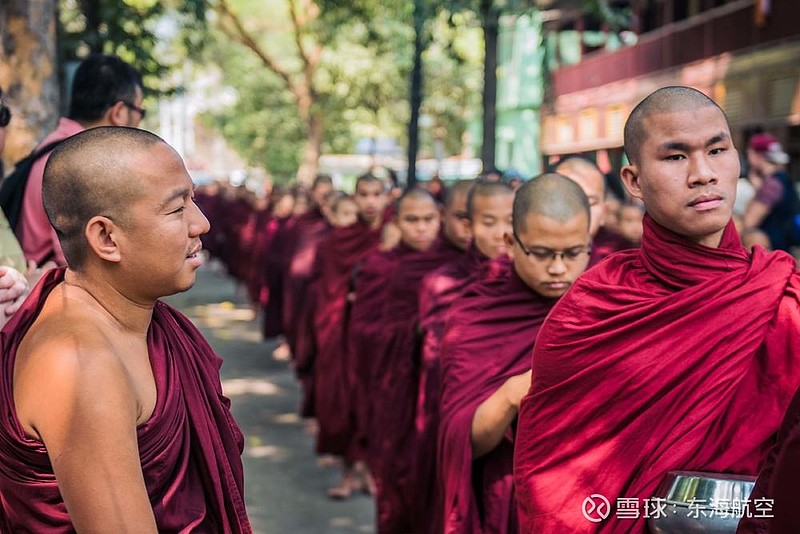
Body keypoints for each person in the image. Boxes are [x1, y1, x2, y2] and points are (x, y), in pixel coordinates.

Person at [513, 86, 800, 532]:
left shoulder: (784, 297)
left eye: (717, 150)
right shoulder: (593, 309)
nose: (704, 174)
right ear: (633, 181)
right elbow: (558, 485)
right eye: (674, 157)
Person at [0, 127, 251, 532]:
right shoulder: (81, 363)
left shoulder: (135, 319)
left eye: (193, 200)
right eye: (176, 209)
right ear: (105, 238)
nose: (200, 224)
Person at [439, 173, 592, 533]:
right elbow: (462, 442)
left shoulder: (611, 302)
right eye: (540, 254)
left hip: (593, 494)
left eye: (572, 253)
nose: (557, 268)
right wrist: (510, 395)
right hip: (512, 495)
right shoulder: (476, 313)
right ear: (511, 241)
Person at [412, 180, 515, 534]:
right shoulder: (444, 283)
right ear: (469, 226)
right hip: (450, 415)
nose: (502, 233)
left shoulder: (533, 283)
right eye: (490, 223)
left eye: (511, 221)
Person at [355, 189, 460, 532]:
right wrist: (412, 331)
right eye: (411, 221)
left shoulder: (456, 264)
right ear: (396, 223)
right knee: (401, 476)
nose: (421, 229)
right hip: (397, 385)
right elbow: (364, 329)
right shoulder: (382, 267)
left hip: (442, 390)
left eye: (428, 220)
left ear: (440, 218)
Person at [17, 54, 144, 267]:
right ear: (119, 112)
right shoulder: (80, 159)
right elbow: (78, 262)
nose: (140, 121)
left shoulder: (53, 145)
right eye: (141, 111)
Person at [312, 173, 388, 488]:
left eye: (376, 194)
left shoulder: (394, 235)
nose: (370, 201)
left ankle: (371, 471)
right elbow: (328, 288)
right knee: (345, 400)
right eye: (364, 195)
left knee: (378, 401)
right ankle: (348, 472)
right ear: (354, 199)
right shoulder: (338, 241)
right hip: (344, 330)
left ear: (387, 197)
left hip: (383, 335)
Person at [554, 156, 636, 265]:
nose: (578, 212)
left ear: (604, 212)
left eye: (590, 203)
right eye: (567, 200)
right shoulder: (527, 264)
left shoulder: (618, 265)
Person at [743, 132, 799, 252]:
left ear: (757, 156)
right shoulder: (783, 178)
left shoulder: (771, 185)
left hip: (772, 253)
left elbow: (749, 222)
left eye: (749, 153)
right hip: (785, 249)